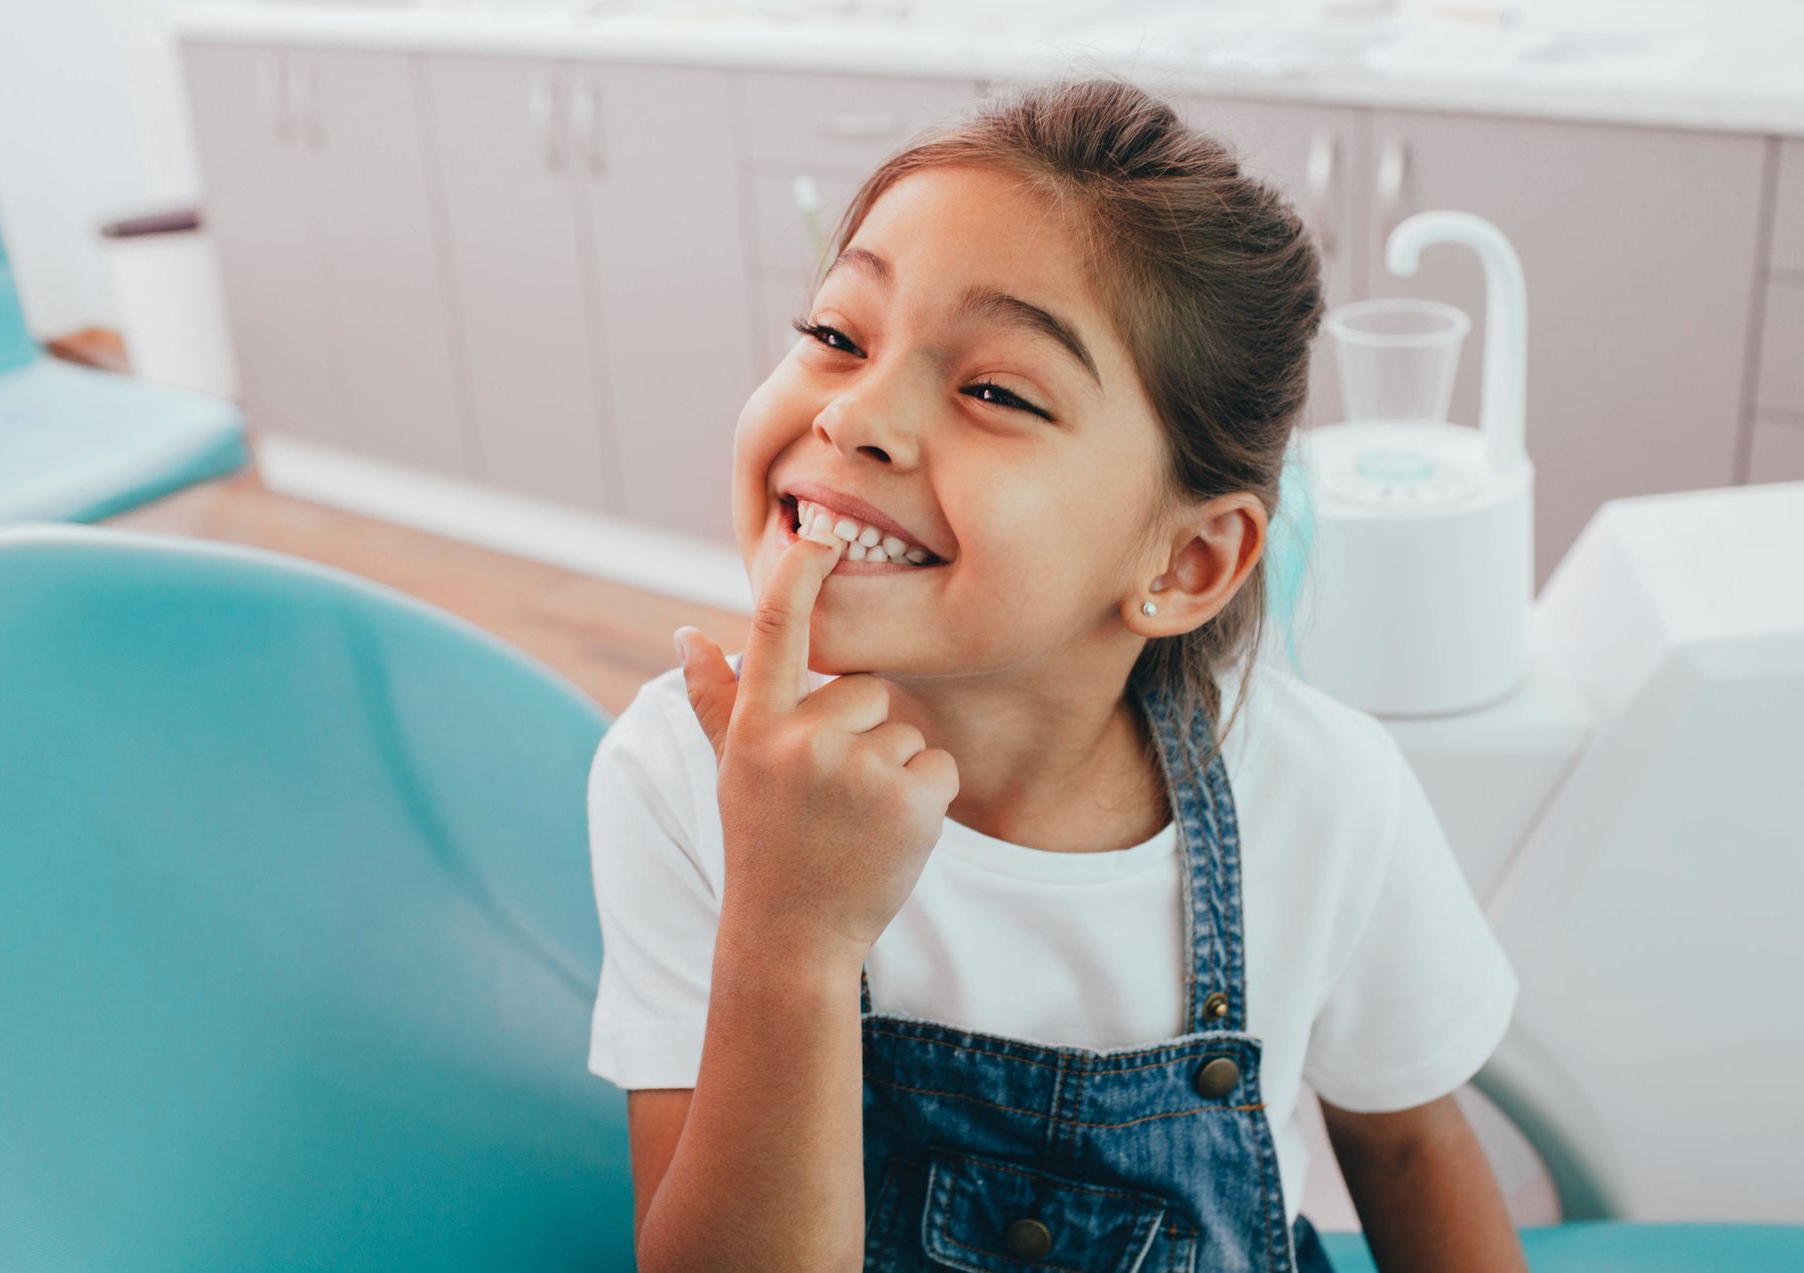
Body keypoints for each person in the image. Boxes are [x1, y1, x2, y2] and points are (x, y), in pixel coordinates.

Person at [585, 76, 1526, 1272]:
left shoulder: (1329, 795)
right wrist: (790, 935)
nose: (857, 415)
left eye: (994, 390)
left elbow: (1406, 1151)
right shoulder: (680, 774)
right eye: (836, 334)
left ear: (1186, 561)